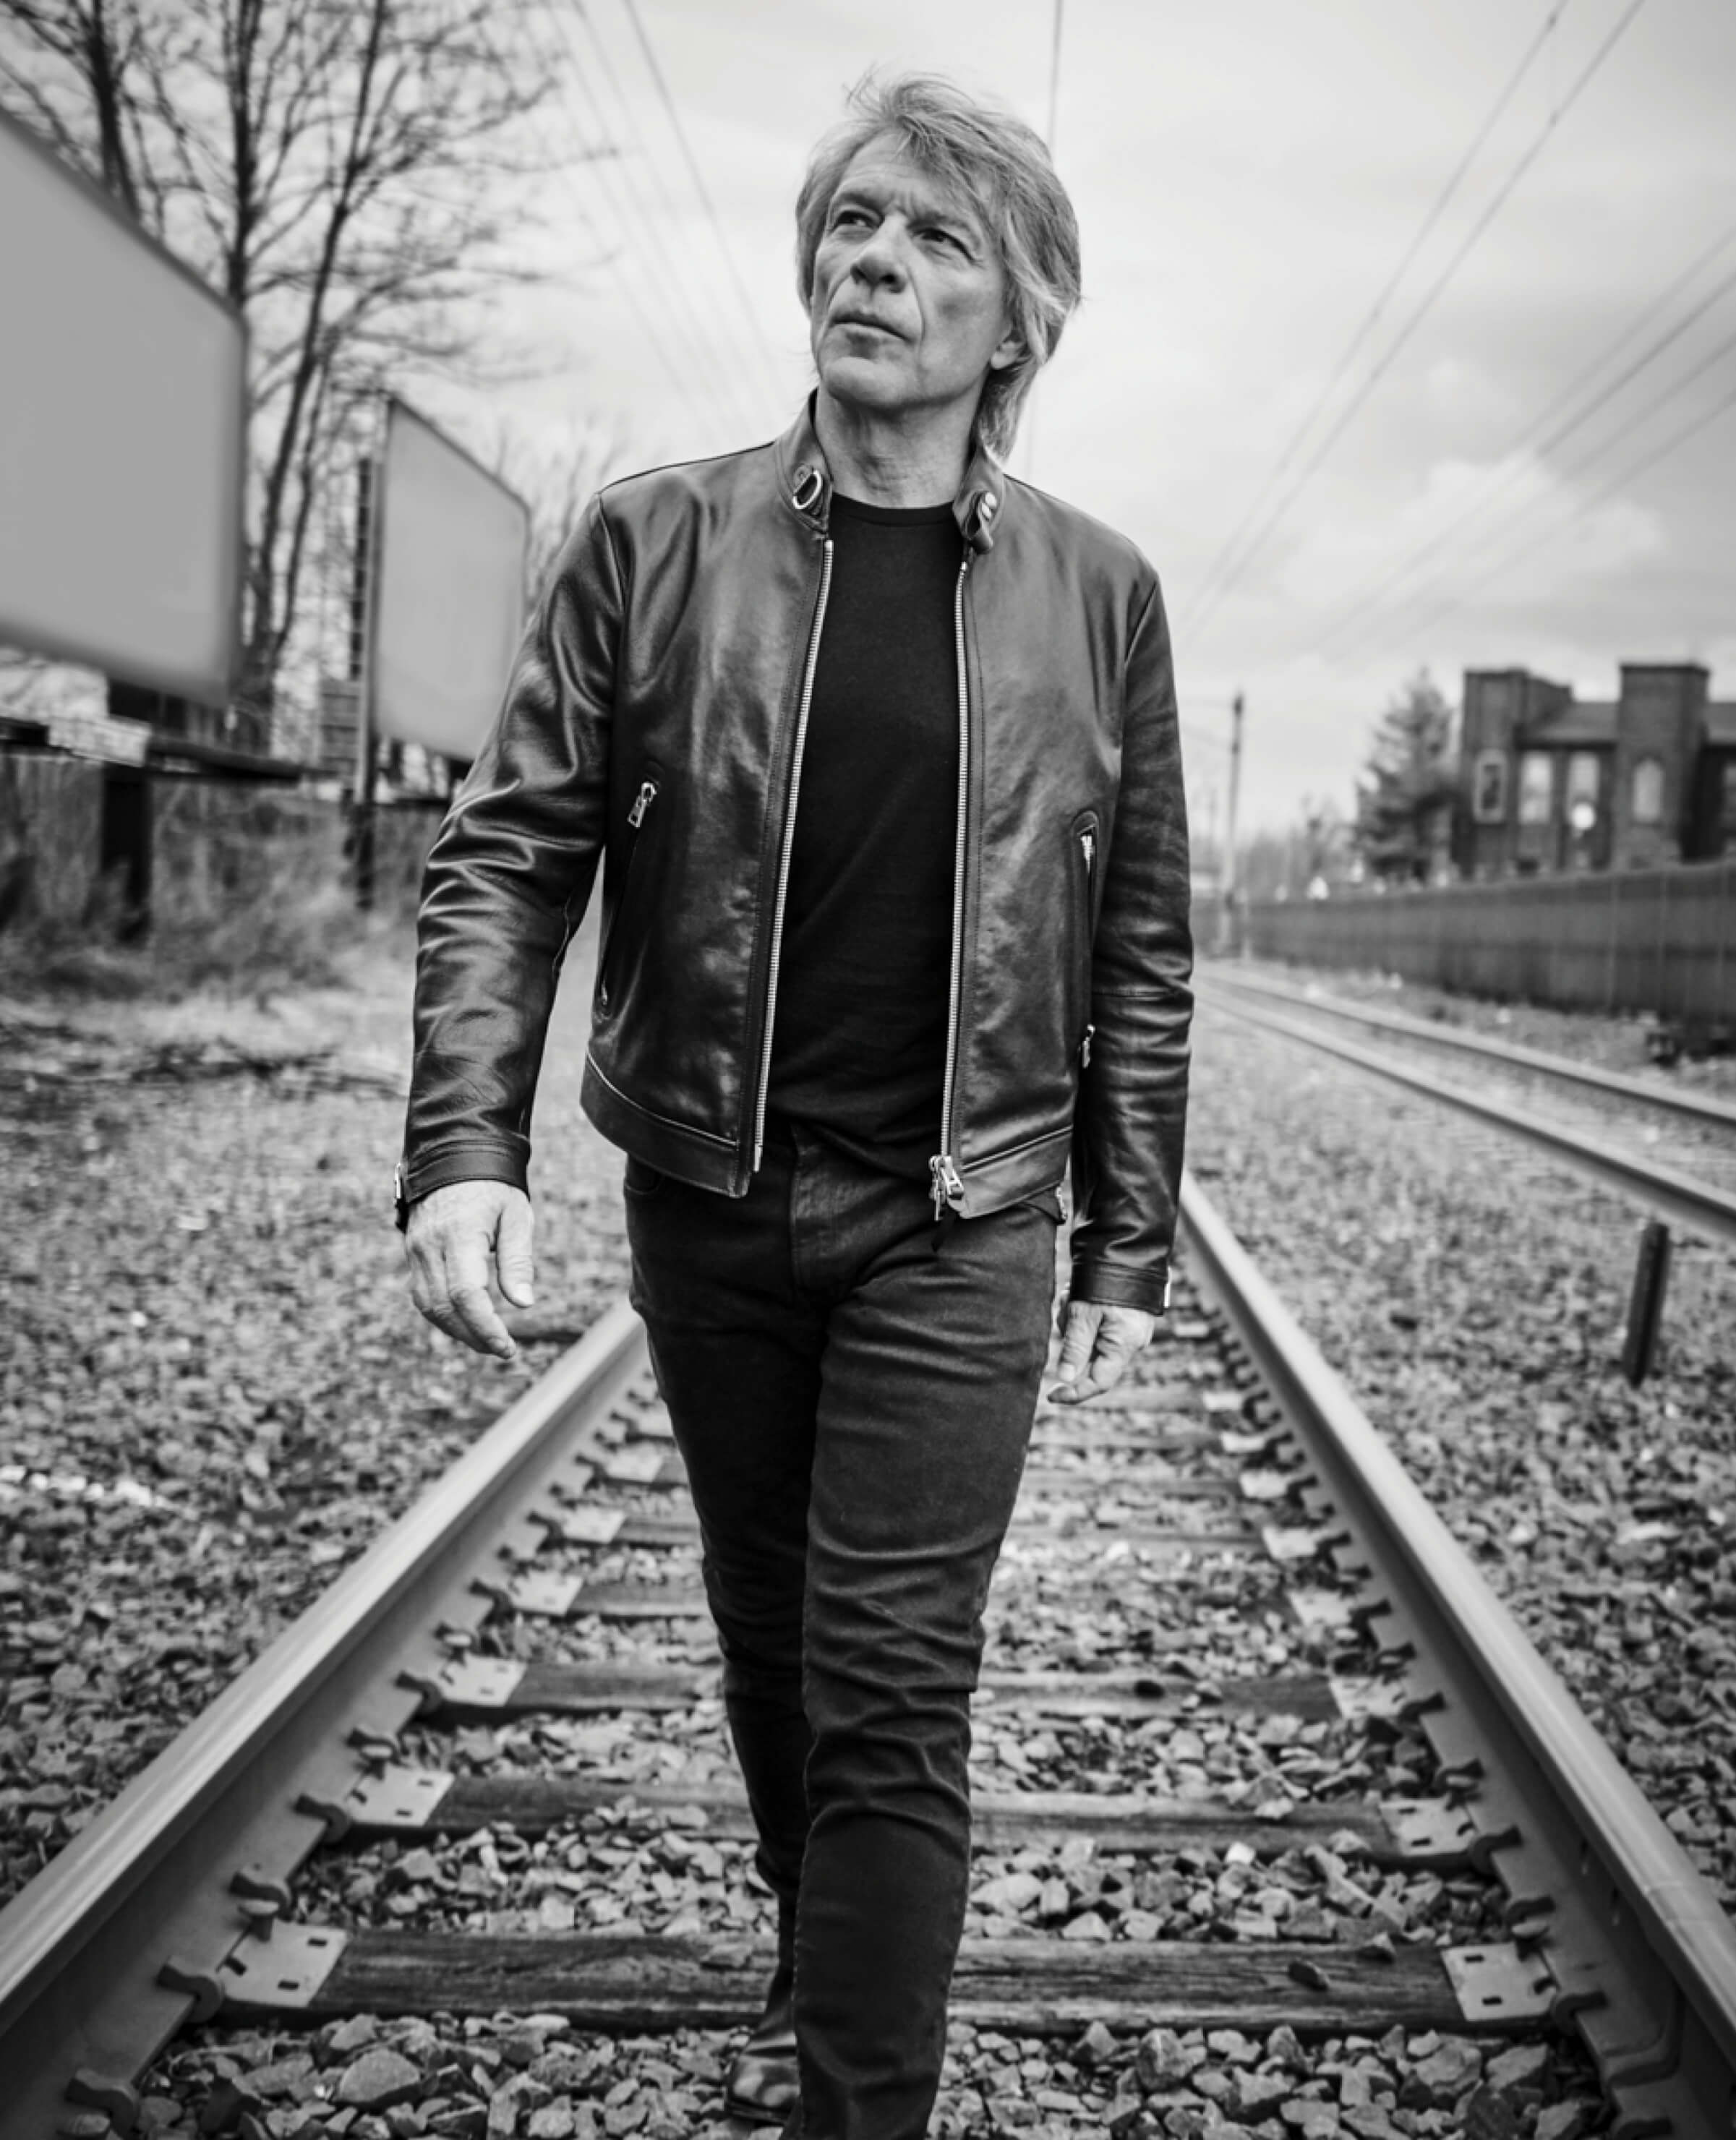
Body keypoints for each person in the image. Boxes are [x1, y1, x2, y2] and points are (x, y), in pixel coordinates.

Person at [399, 72, 1191, 2140]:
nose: (872, 262)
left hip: (960, 1212)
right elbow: (507, 852)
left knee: (892, 1683)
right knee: (771, 1641)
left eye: (934, 239)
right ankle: (819, 1919)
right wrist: (463, 1147)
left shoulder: (1100, 596)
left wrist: (1124, 1239)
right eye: (850, 222)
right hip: (713, 1196)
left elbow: (1138, 945)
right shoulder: (657, 538)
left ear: (1015, 320)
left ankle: (860, 2097)